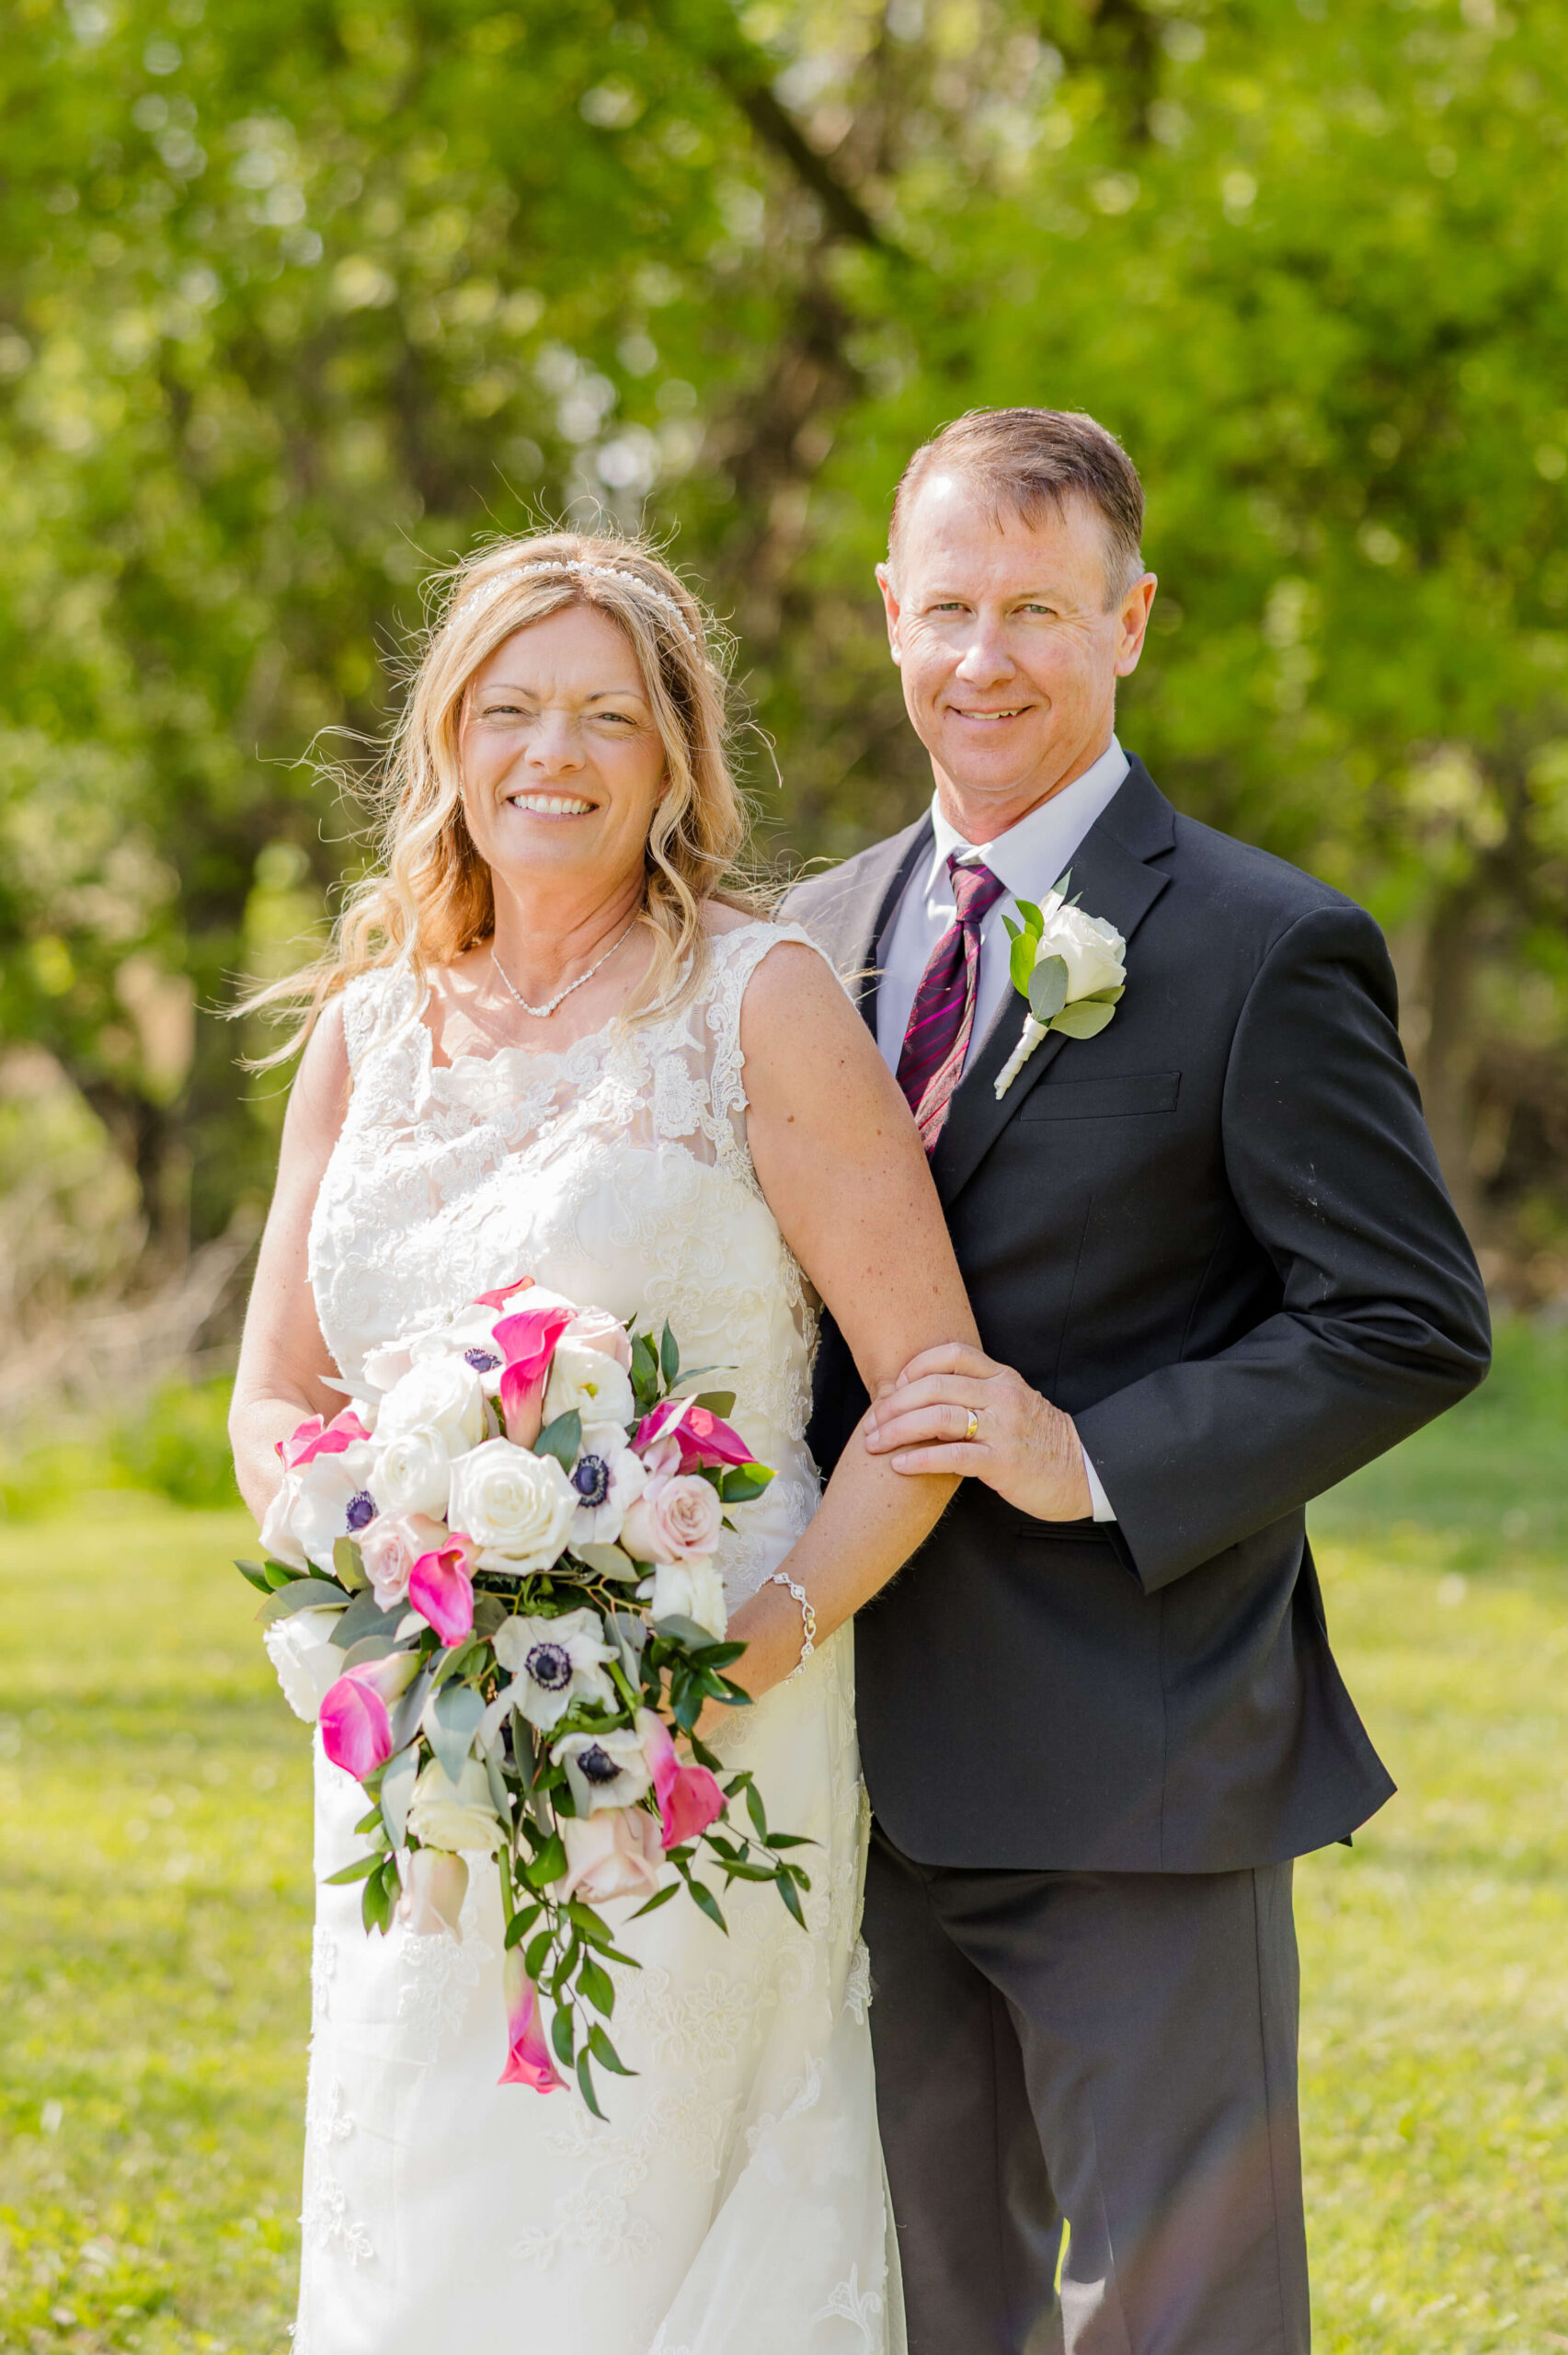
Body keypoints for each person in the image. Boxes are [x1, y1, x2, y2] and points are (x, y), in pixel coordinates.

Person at [786, 408, 1492, 2355]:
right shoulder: (798, 943)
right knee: (928, 2303)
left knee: (1180, 2319)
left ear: (1129, 621)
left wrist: (1081, 1448)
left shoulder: (1267, 948)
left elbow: (1403, 1317)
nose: (980, 657)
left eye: (1033, 607)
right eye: (943, 607)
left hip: (1135, 1753)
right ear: (884, 616)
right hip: (846, 1761)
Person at [228, 531, 974, 2355]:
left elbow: (930, 1390)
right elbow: (274, 1396)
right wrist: (382, 1613)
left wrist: (746, 1647)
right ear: (447, 741)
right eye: (507, 708)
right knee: (431, 2188)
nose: (549, 752)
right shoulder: (366, 1026)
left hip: (699, 1719)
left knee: (638, 2198)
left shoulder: (753, 998)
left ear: (670, 756)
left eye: (602, 714)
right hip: (422, 1742)